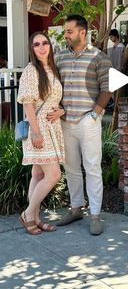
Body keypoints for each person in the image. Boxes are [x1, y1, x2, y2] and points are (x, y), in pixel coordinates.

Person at [55, 14, 112, 235]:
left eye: (69, 31)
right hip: (65, 122)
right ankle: (76, 208)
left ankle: (95, 215)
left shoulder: (99, 57)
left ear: (82, 32)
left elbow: (107, 88)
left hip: (88, 121)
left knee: (92, 168)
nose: (66, 35)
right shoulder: (60, 57)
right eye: (65, 32)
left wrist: (95, 115)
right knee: (71, 168)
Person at [17, 32, 65, 235]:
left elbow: (55, 100)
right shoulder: (31, 70)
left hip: (53, 127)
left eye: (45, 43)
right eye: (37, 44)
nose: (42, 47)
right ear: (32, 49)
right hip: (39, 128)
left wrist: (61, 111)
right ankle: (28, 214)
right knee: (54, 174)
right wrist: (36, 133)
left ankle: (35, 218)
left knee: (37, 173)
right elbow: (28, 104)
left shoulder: (52, 69)